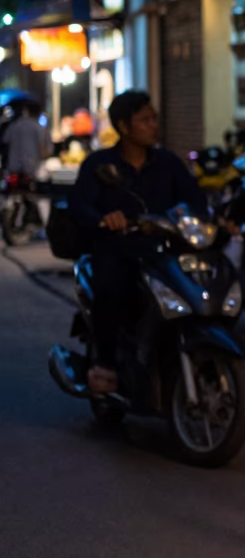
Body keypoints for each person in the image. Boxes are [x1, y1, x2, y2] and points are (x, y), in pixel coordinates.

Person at [68, 91, 206, 394]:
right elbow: (79, 205)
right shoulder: (100, 164)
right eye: (145, 120)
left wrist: (216, 221)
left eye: (154, 118)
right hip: (119, 250)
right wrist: (105, 219)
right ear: (124, 126)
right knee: (111, 288)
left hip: (163, 250)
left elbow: (196, 200)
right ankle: (104, 364)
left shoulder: (168, 163)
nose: (153, 125)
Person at [2, 101, 51, 177]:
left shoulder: (15, 125)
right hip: (32, 169)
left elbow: (5, 140)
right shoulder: (39, 128)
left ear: (26, 111)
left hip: (14, 167)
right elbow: (44, 150)